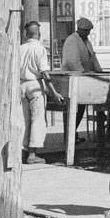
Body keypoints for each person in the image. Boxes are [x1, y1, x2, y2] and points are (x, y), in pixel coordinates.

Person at [20, 21, 64, 165]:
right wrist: (54, 92)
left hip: (21, 85)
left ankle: (23, 151)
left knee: (23, 120)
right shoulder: (40, 49)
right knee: (37, 120)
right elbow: (45, 73)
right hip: (35, 85)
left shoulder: (20, 48)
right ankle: (32, 154)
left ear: (26, 34)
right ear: (39, 34)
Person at [61, 17, 103, 139]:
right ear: (79, 29)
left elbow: (92, 57)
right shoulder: (72, 41)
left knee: (81, 108)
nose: (87, 33)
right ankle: (70, 134)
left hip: (85, 79)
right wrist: (83, 75)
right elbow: (73, 62)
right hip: (75, 80)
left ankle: (73, 133)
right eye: (86, 31)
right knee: (75, 109)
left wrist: (99, 71)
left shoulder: (86, 41)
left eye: (89, 31)